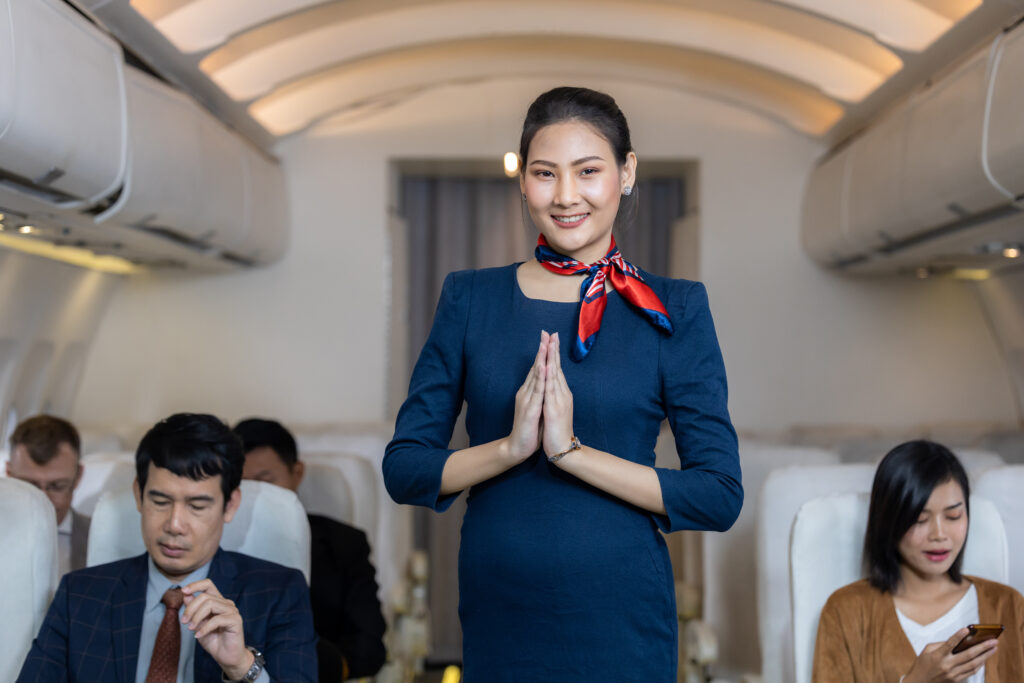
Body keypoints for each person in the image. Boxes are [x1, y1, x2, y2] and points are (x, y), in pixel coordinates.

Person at [383, 86, 743, 680]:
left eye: (588, 171)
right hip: (501, 610)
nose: (566, 195)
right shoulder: (470, 298)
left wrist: (571, 453)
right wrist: (509, 450)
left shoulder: (674, 308)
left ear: (627, 173)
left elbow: (718, 494)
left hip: (623, 614)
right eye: (545, 173)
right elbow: (404, 468)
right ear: (523, 180)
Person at [17, 413, 318, 683]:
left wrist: (242, 666)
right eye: (160, 501)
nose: (174, 525)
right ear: (139, 495)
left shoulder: (278, 593)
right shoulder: (80, 595)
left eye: (197, 506)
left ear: (230, 505)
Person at [813, 440, 1024, 682]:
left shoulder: (1008, 605)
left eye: (953, 516)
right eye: (920, 520)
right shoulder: (846, 611)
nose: (939, 534)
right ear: (889, 521)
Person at [234, 418, 387, 681]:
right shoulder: (209, 543)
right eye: (242, 485)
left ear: (297, 473)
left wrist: (316, 663)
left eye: (265, 482)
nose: (254, 497)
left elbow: (369, 648)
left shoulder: (344, 545)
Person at [6, 414, 89, 575]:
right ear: (9, 474)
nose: (42, 500)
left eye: (56, 486)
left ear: (78, 477)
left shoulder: (103, 538)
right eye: (29, 486)